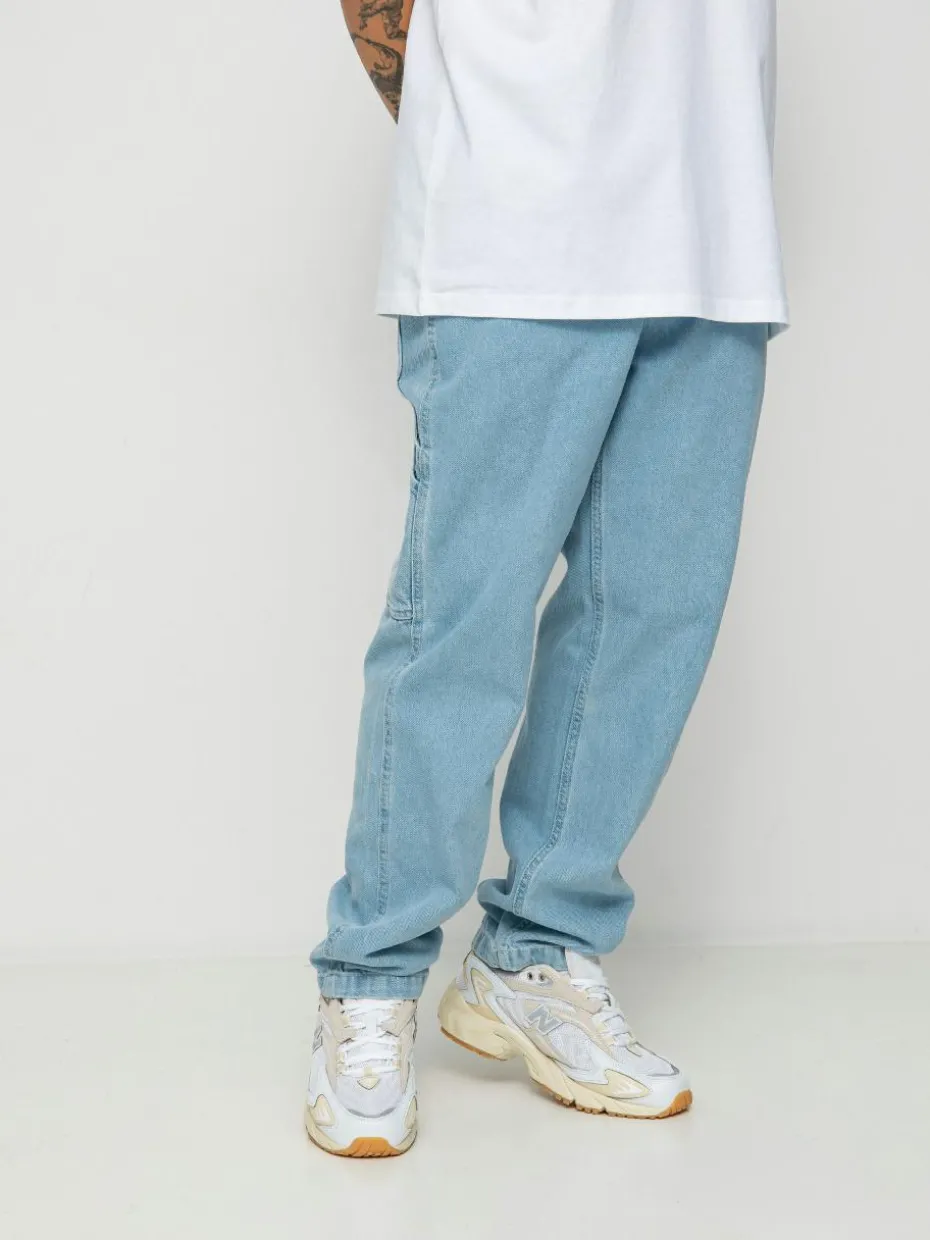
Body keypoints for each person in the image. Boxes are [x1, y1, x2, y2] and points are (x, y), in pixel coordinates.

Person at [306, 0, 788, 1158]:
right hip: (515, 206)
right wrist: (478, 113)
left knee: (656, 611)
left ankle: (536, 951)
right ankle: (370, 977)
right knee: (460, 618)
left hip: (713, 202)